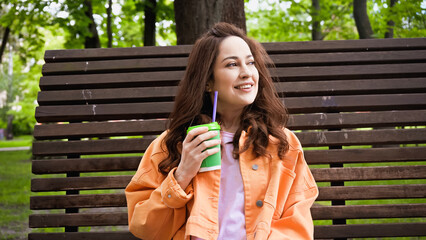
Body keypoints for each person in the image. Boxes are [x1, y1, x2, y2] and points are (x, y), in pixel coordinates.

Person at [125, 22, 318, 240]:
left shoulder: (282, 143)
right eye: (232, 65)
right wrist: (182, 175)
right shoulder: (173, 144)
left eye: (250, 62)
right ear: (208, 82)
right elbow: (144, 228)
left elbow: (297, 225)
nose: (246, 73)